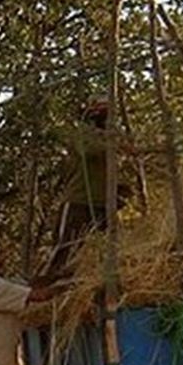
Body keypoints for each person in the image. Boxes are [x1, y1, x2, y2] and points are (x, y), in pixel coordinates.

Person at [47, 100, 135, 276]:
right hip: (79, 201)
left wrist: (122, 189)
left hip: (104, 204)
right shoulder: (82, 133)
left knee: (116, 247)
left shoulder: (109, 137)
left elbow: (111, 172)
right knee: (65, 249)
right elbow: (88, 150)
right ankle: (45, 290)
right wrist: (116, 145)